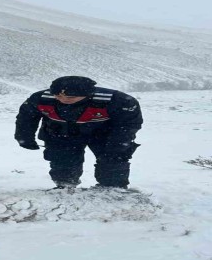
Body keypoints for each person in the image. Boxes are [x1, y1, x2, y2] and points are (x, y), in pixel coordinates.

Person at [15, 76, 143, 189]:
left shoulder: (118, 100)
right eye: (57, 95)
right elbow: (26, 118)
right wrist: (24, 137)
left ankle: (112, 188)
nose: (63, 99)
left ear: (88, 94)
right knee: (62, 159)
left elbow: (128, 124)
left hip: (105, 133)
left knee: (113, 158)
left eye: (70, 97)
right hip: (61, 132)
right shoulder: (41, 98)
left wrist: (119, 144)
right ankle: (65, 186)